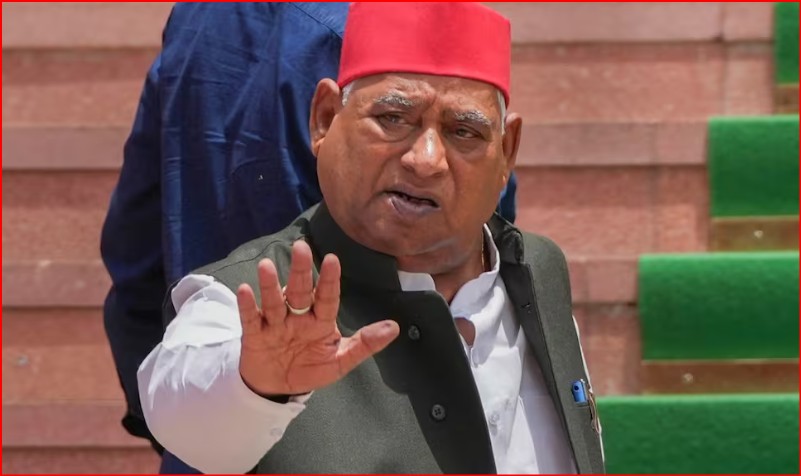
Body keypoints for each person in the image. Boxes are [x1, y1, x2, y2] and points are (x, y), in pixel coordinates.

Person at [136, 2, 599, 474]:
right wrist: (255, 385)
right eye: (393, 119)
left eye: (464, 132)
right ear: (324, 118)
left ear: (507, 150)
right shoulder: (248, 301)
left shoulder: (534, 270)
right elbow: (183, 408)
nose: (426, 159)